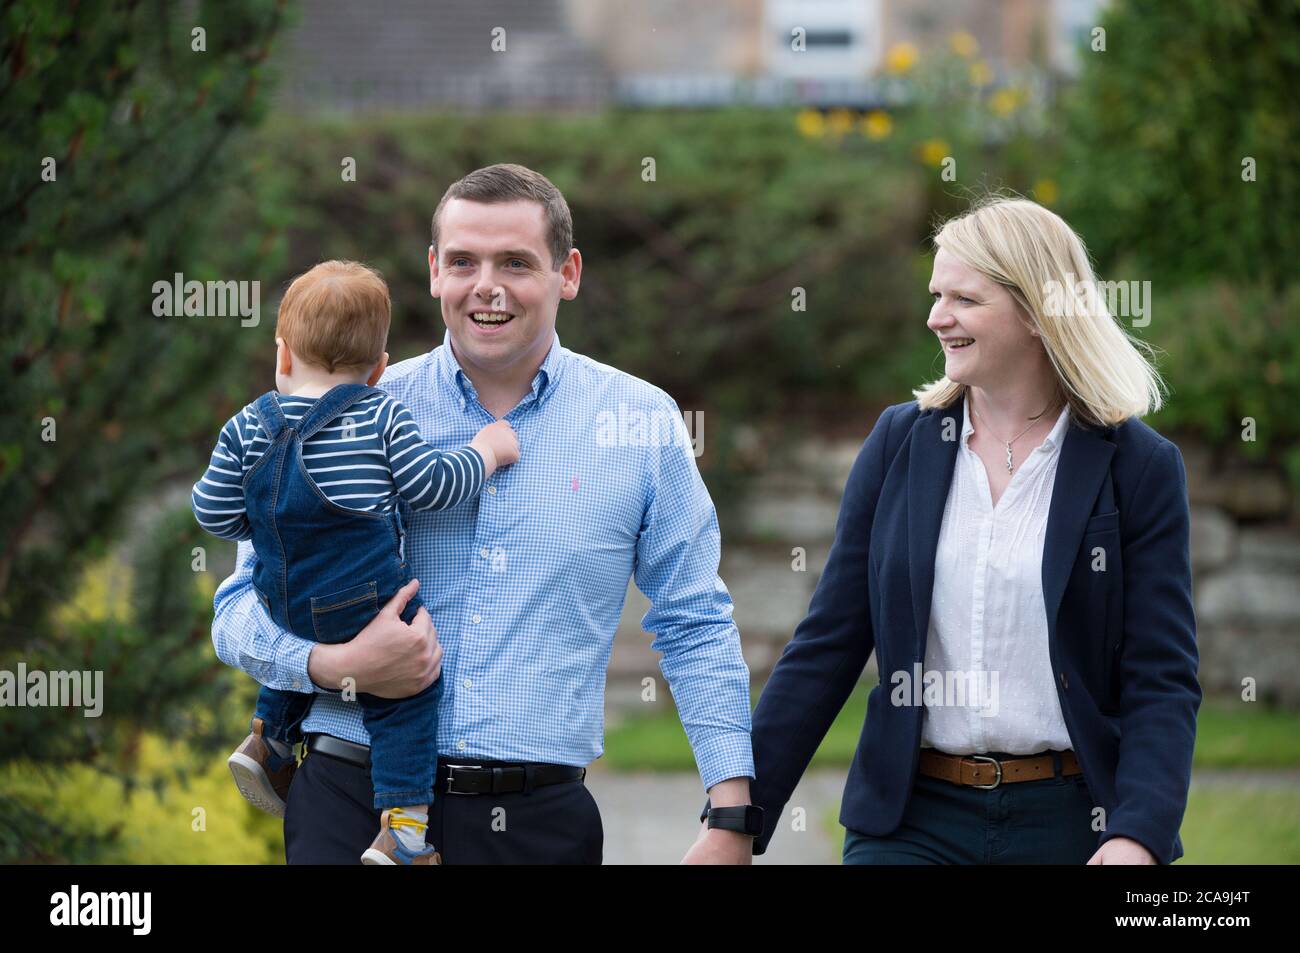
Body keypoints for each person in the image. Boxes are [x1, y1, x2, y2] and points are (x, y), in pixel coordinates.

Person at [211, 164, 758, 864]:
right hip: (350, 803)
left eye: (516, 263)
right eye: (464, 261)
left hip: (538, 827)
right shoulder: (342, 411)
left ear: (569, 272)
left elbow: (694, 619)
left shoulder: (640, 422)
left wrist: (731, 810)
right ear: (435, 270)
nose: (486, 285)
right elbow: (237, 607)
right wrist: (331, 662)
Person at [710, 195, 1201, 864]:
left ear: (1035, 311)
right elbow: (827, 644)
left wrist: (1135, 834)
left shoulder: (1138, 466)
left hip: (1074, 821)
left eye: (964, 299)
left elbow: (1161, 677)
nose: (936, 317)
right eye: (937, 294)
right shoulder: (898, 444)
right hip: (912, 822)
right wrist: (736, 818)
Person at [194, 259, 519, 864]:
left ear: (283, 355)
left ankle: (269, 741)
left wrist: (261, 526)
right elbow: (431, 486)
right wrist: (487, 451)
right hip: (363, 602)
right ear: (378, 369)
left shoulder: (246, 425)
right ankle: (402, 830)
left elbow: (212, 511)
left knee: (300, 639)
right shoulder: (380, 413)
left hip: (281, 596)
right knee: (407, 700)